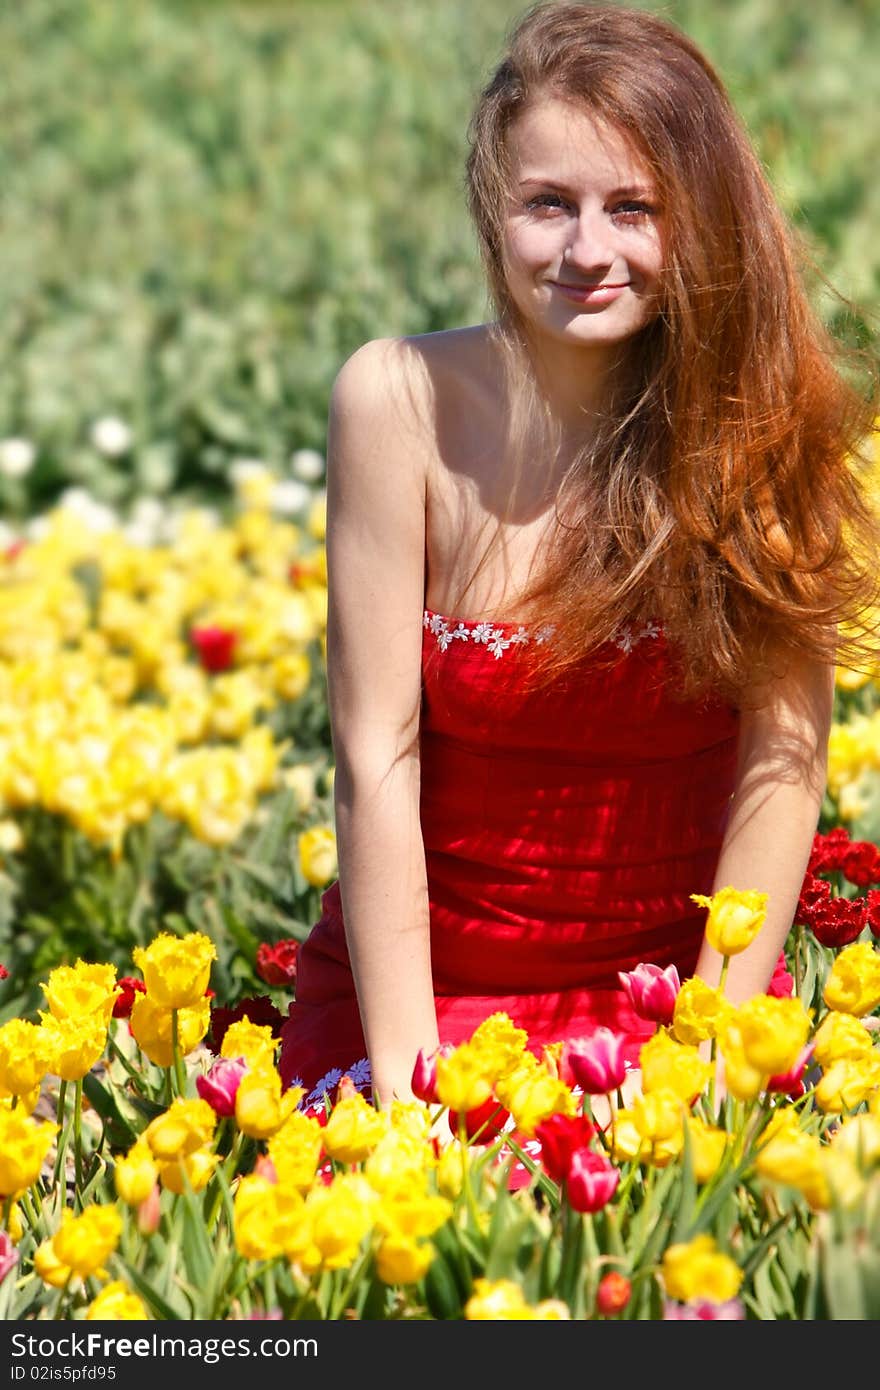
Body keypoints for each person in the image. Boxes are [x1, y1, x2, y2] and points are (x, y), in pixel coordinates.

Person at [278, 1, 880, 1111]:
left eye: (633, 208)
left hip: (666, 1008)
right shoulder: (394, 401)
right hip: (422, 997)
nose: (587, 249)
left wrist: (702, 1067)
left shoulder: (766, 419)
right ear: (492, 210)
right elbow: (375, 759)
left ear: (696, 218)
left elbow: (782, 764)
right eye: (547, 204)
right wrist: (413, 1101)